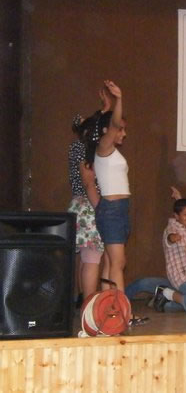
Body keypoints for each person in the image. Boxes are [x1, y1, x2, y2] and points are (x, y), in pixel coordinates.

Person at [83, 80, 130, 292]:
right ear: (108, 130)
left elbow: (110, 122)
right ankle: (120, 308)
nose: (123, 133)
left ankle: (108, 305)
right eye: (121, 130)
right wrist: (118, 99)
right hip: (112, 210)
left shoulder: (110, 151)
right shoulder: (103, 147)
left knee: (112, 263)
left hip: (118, 209)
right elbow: (114, 123)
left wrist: (107, 106)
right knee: (118, 263)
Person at [68, 95, 108, 300]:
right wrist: (100, 207)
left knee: (84, 258)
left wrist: (105, 109)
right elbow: (88, 181)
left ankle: (82, 299)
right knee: (93, 257)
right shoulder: (85, 150)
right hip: (90, 205)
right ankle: (90, 303)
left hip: (78, 204)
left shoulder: (75, 147)